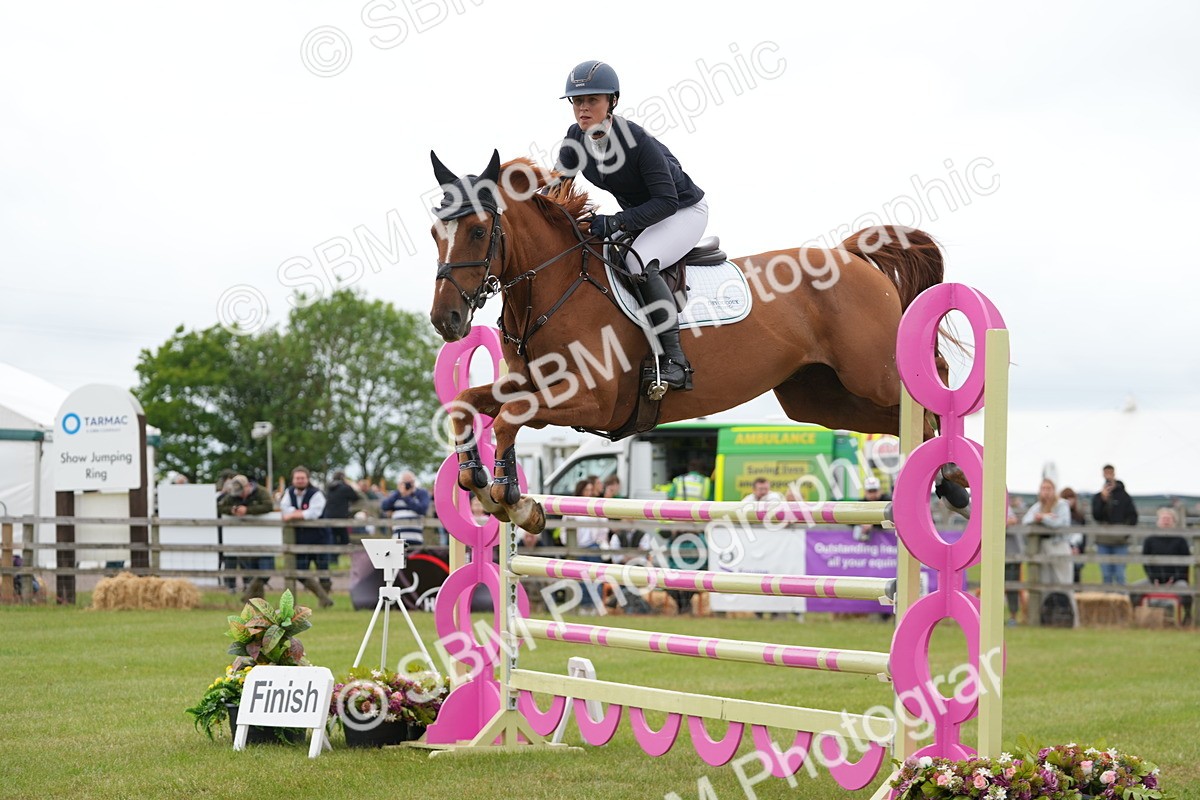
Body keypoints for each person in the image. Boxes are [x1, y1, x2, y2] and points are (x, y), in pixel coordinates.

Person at [556, 59, 708, 392]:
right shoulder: (575, 138)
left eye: (592, 100)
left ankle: (677, 362)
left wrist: (616, 221)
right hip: (646, 214)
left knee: (636, 261)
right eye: (577, 101)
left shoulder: (638, 142)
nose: (583, 108)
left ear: (612, 101)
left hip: (682, 211)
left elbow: (667, 202)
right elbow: (558, 187)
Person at [279, 466, 335, 608]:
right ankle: (323, 597)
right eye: (297, 478)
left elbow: (313, 514)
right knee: (299, 570)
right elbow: (284, 508)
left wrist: (293, 514)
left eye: (302, 478)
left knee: (323, 569)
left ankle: (324, 602)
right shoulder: (289, 492)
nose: (300, 481)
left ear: (307, 479)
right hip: (300, 538)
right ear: (293, 479)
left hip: (320, 537)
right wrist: (299, 513)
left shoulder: (317, 493)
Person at [217, 474, 276, 601]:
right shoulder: (233, 495)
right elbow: (220, 506)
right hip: (244, 539)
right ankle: (257, 603)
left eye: (241, 491)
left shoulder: (261, 492)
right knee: (251, 572)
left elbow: (269, 506)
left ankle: (248, 597)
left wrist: (248, 510)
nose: (240, 495)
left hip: (264, 538)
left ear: (248, 486)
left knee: (266, 571)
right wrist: (232, 510)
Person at [664, 460, 713, 613]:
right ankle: (687, 602)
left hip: (678, 532)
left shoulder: (677, 481)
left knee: (673, 569)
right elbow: (711, 507)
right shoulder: (706, 483)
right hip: (696, 533)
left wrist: (670, 526)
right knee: (697, 570)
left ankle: (681, 605)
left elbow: (667, 504)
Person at [1131, 508, 1192, 624]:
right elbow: (1145, 563)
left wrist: (1174, 579)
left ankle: (1188, 617)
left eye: (1168, 519)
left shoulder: (1181, 540)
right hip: (1153, 580)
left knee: (1186, 591)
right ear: (1158, 521)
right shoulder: (1149, 540)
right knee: (1132, 589)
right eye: (1163, 519)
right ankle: (1135, 617)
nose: (1166, 521)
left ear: (1174, 522)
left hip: (1176, 581)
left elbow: (1185, 564)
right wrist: (1153, 578)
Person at [1090, 464, 1139, 584]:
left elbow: (1133, 516)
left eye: (1110, 473)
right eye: (1105, 473)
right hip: (1103, 540)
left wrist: (1125, 533)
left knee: (1120, 574)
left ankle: (1121, 601)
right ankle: (1107, 601)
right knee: (1106, 575)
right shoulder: (1098, 497)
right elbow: (1096, 516)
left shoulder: (1124, 496)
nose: (1108, 476)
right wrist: (1103, 500)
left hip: (1120, 541)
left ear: (1114, 474)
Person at [1022, 478, 1073, 586]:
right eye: (1043, 488)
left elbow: (1060, 523)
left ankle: (1064, 603)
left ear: (1054, 490)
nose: (1046, 491)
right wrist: (1043, 517)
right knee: (1045, 582)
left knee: (1063, 582)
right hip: (1043, 547)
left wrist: (1044, 518)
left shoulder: (1062, 505)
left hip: (1059, 546)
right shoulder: (1038, 506)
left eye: (1049, 488)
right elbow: (1026, 520)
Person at [381, 470, 430, 547]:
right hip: (397, 539)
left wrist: (406, 496)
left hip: (416, 539)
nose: (408, 485)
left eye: (410, 482)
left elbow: (422, 509)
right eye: (405, 482)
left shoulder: (421, 493)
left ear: (414, 482)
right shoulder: (396, 495)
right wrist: (399, 492)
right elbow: (384, 506)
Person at [1059, 487, 1088, 583]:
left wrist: (1080, 550)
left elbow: (1084, 536)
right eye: (1066, 498)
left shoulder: (1080, 517)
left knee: (1076, 578)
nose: (1069, 501)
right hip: (1063, 549)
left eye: (1071, 498)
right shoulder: (1059, 517)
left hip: (1077, 551)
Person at [852, 476, 890, 542]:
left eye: (874, 491)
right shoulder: (861, 504)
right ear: (865, 492)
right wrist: (861, 524)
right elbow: (849, 518)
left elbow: (892, 520)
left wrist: (872, 524)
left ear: (880, 490)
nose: (872, 494)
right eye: (870, 491)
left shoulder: (888, 502)